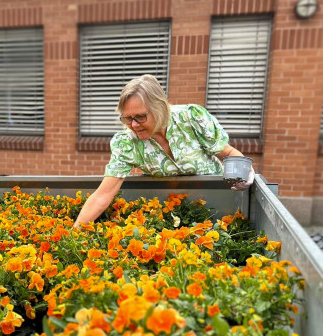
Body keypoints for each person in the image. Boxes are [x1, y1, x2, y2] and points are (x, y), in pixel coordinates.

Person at [73, 74, 254, 228]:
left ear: (160, 107)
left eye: (141, 116)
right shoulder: (127, 142)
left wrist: (244, 172)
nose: (134, 125)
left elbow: (228, 153)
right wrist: (74, 233)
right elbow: (103, 194)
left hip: (218, 209)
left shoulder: (191, 119)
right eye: (128, 118)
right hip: (171, 219)